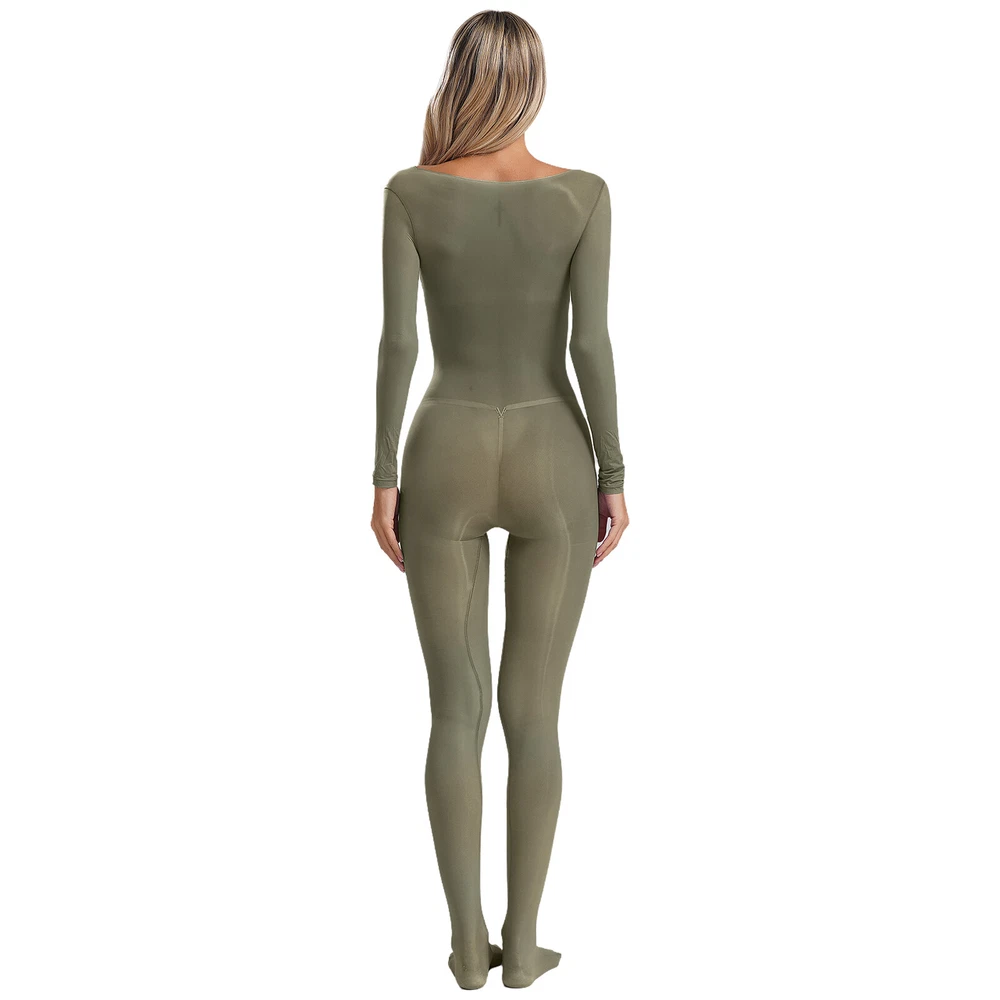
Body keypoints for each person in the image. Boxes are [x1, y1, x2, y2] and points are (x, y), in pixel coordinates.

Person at [370, 10, 629, 990]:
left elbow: (399, 342)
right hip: (551, 450)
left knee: (454, 711)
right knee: (534, 714)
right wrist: (614, 472)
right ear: (532, 81)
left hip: (443, 445)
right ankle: (522, 946)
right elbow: (589, 344)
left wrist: (382, 474)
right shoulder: (583, 195)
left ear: (459, 78)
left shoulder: (410, 191)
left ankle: (464, 949)